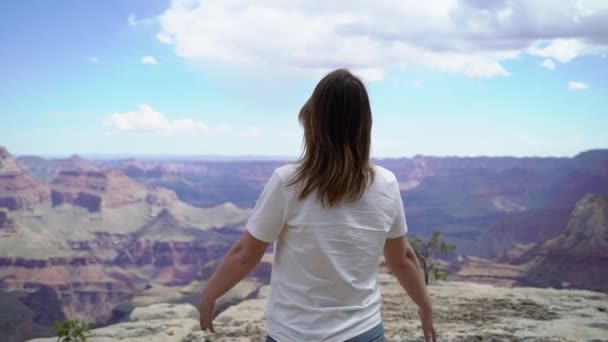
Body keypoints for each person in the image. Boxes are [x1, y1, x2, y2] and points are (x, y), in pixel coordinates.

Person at [200, 69, 436, 342]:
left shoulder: (287, 182)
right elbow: (402, 258)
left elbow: (245, 255)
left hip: (294, 334)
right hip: (363, 332)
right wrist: (425, 306)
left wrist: (210, 294)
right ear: (364, 126)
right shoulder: (387, 183)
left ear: (313, 123)